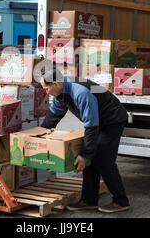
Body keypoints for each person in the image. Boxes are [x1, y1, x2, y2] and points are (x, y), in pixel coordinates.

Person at [39, 67, 130, 213]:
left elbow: (91, 126)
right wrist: (39, 135)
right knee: (90, 161)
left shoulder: (81, 92)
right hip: (98, 122)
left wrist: (85, 153)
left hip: (112, 120)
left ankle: (121, 201)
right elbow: (53, 117)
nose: (46, 92)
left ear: (55, 83)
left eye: (46, 88)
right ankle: (89, 200)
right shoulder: (61, 92)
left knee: (104, 160)